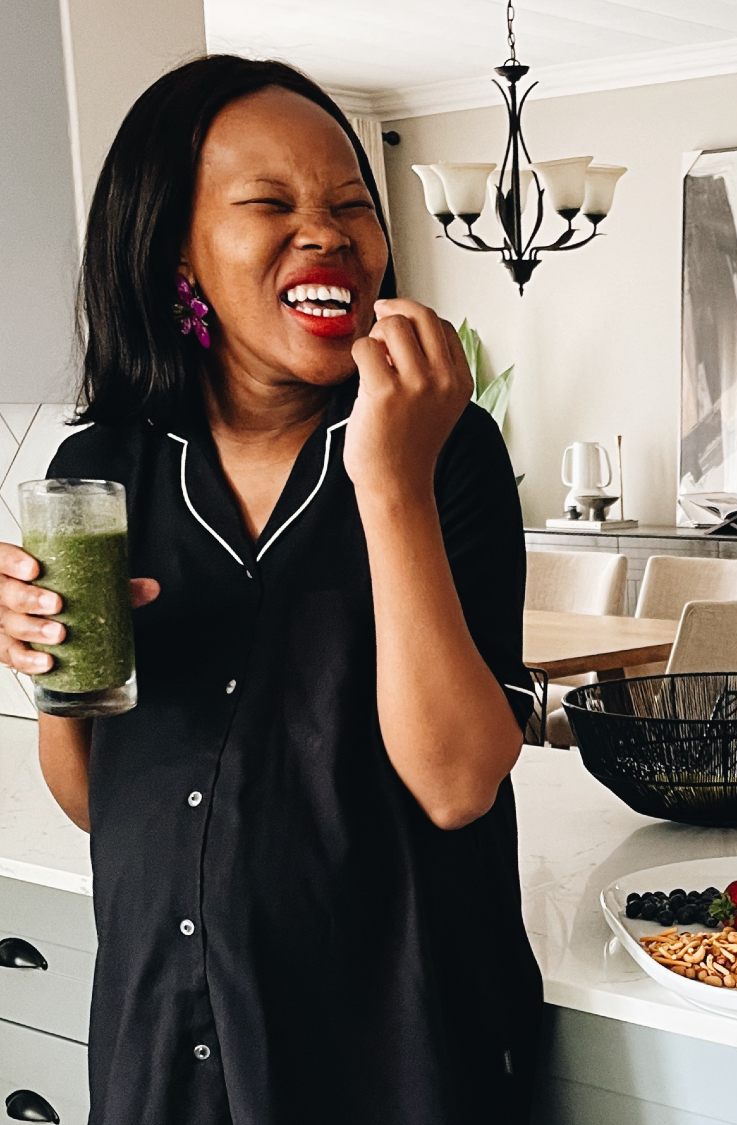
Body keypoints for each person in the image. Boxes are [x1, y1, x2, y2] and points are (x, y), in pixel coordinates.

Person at [0, 56, 541, 1122]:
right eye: (271, 204)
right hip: (164, 1032)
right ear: (175, 254)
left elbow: (457, 782)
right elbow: (94, 800)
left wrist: (391, 485)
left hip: (396, 1048)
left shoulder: (449, 452)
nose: (329, 232)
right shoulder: (99, 472)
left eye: (351, 206)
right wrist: (46, 661)